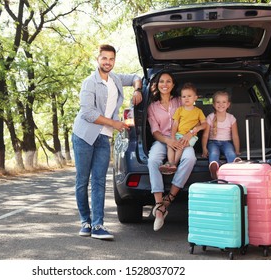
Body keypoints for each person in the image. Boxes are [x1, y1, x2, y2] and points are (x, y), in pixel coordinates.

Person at [72, 44, 142, 240]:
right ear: (98, 59)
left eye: (111, 59)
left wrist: (137, 90)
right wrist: (115, 123)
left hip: (104, 137)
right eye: (104, 58)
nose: (108, 62)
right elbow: (87, 113)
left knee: (99, 182)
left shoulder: (116, 79)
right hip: (84, 136)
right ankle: (85, 221)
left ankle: (98, 225)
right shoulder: (89, 83)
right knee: (82, 180)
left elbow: (137, 76)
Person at [147, 72, 197, 231]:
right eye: (161, 81)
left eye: (168, 81)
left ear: (173, 85)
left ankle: (169, 199)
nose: (165, 84)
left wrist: (190, 134)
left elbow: (193, 115)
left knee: (190, 159)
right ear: (157, 84)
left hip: (182, 139)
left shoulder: (180, 101)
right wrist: (169, 141)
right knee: (153, 159)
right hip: (163, 140)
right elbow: (155, 131)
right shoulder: (152, 107)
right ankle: (159, 205)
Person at [159, 83, 207, 175]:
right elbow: (175, 125)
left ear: (195, 98)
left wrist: (197, 128)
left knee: (180, 145)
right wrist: (172, 137)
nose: (186, 98)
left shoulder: (198, 111)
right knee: (170, 145)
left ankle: (174, 164)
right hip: (178, 134)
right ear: (181, 99)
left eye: (189, 96)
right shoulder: (179, 110)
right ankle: (169, 163)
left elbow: (205, 124)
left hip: (191, 137)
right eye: (184, 96)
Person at [201, 90, 241, 179]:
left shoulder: (231, 118)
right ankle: (214, 170)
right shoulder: (210, 117)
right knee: (214, 152)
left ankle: (235, 167)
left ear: (228, 104)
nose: (221, 104)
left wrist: (237, 150)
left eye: (224, 102)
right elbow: (205, 135)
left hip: (227, 142)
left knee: (230, 152)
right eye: (218, 102)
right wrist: (204, 148)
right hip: (213, 142)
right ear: (214, 104)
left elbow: (235, 136)